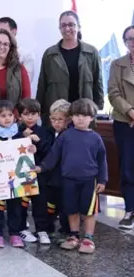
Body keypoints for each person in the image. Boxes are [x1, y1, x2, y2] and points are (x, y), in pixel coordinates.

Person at [34, 99, 107, 254]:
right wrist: (41, 167)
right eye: (77, 115)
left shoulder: (96, 138)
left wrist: (102, 180)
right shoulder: (65, 136)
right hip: (68, 180)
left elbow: (102, 160)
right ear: (71, 117)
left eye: (84, 115)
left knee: (89, 211)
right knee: (71, 209)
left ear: (91, 118)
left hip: (89, 181)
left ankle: (88, 239)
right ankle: (73, 236)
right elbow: (53, 155)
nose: (80, 119)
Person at [37, 11, 104, 124]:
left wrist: (97, 106)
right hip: (58, 114)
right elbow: (42, 84)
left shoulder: (91, 52)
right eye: (63, 25)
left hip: (84, 112)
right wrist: (39, 109)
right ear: (59, 28)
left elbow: (98, 82)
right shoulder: (50, 54)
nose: (67, 28)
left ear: (79, 27)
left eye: (71, 24)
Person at [0, 100, 32, 249]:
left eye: (10, 115)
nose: (7, 118)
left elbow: (26, 151)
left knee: (15, 205)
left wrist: (31, 148)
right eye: (3, 116)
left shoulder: (19, 132)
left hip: (16, 176)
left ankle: (14, 233)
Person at [16, 98, 54, 245]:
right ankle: (21, 228)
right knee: (21, 204)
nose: (30, 117)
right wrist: (22, 137)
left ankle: (41, 230)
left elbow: (49, 153)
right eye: (26, 114)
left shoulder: (45, 132)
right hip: (21, 175)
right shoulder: (15, 131)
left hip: (39, 174)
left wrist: (38, 143)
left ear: (39, 115)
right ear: (20, 116)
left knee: (40, 203)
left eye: (33, 114)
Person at [109, 25, 134, 230]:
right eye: (129, 39)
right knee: (128, 168)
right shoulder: (117, 64)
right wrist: (130, 111)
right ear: (125, 42)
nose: (133, 42)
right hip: (125, 122)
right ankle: (130, 210)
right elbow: (113, 92)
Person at [46, 99, 72, 239]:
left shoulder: (71, 135)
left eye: (60, 119)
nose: (56, 123)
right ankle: (47, 227)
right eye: (53, 119)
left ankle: (66, 230)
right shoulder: (48, 133)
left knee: (64, 206)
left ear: (68, 120)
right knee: (49, 204)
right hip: (50, 176)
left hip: (64, 177)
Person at [0, 17, 36, 96]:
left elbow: (26, 82)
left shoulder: (26, 55)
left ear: (13, 32)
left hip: (17, 99)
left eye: (2, 31)